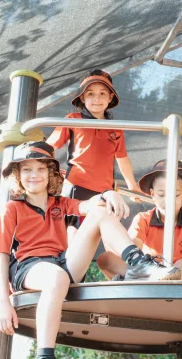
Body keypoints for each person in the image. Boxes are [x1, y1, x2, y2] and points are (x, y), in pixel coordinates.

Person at [0, 141, 181, 359]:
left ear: (52, 174)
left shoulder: (60, 203)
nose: (34, 175)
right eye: (27, 169)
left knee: (98, 214)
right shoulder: (12, 209)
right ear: (18, 176)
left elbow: (89, 206)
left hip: (61, 265)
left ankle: (138, 264)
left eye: (40, 169)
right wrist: (3, 303)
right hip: (30, 267)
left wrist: (109, 194)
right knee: (55, 277)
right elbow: (0, 256)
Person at [97, 160, 182, 281]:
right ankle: (159, 279)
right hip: (150, 272)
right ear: (153, 195)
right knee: (105, 259)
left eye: (175, 194)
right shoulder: (143, 219)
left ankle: (179, 279)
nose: (168, 200)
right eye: (161, 195)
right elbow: (134, 249)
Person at [46, 69, 140, 237]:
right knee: (73, 233)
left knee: (102, 234)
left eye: (102, 93)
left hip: (105, 191)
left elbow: (122, 158)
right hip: (77, 185)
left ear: (110, 97)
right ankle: (65, 262)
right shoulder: (73, 119)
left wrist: (133, 186)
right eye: (91, 94)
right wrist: (47, 172)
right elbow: (49, 147)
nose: (97, 99)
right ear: (82, 97)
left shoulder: (115, 128)